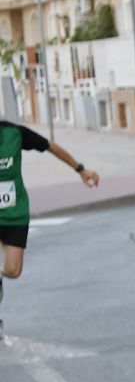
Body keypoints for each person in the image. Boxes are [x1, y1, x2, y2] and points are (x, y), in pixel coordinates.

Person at [0, 120, 99, 303]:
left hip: (15, 213)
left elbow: (50, 146)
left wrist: (81, 169)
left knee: (13, 270)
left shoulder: (14, 133)